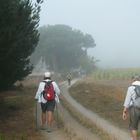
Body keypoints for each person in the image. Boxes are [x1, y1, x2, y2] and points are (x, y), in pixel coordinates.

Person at [122, 75, 140, 140]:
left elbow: (127, 101)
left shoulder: (130, 88)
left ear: (133, 80)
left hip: (134, 109)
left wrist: (124, 112)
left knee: (134, 127)